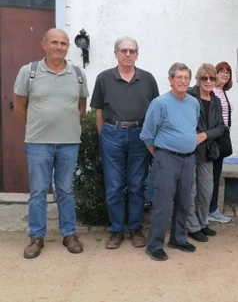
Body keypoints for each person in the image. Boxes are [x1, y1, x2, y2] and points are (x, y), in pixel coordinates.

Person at [13, 28, 89, 259]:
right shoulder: (30, 72)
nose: (59, 47)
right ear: (43, 44)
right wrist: (39, 128)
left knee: (66, 190)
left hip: (68, 143)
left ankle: (69, 234)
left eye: (63, 43)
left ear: (68, 47)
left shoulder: (77, 73)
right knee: (38, 192)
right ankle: (37, 236)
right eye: (54, 42)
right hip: (39, 144)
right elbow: (19, 108)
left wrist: (65, 125)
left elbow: (81, 107)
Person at [90, 36, 159, 249]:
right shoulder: (103, 78)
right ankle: (116, 231)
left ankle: (136, 229)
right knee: (114, 186)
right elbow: (99, 112)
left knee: (138, 185)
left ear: (137, 55)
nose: (127, 54)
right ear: (116, 54)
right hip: (112, 134)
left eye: (131, 51)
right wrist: (104, 136)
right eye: (123, 50)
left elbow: (156, 110)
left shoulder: (148, 79)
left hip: (140, 135)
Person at [140, 63, 199, 261]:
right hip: (166, 159)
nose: (183, 81)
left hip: (189, 160)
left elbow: (191, 127)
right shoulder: (160, 103)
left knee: (184, 202)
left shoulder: (193, 103)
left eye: (186, 77)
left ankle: (178, 239)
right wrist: (160, 154)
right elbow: (148, 134)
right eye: (178, 77)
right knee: (163, 204)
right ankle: (154, 244)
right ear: (170, 80)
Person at [186, 64, 225, 242]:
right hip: (188, 151)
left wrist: (204, 135)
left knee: (206, 191)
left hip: (208, 152)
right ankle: (192, 226)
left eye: (211, 78)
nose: (208, 82)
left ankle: (203, 223)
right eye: (204, 78)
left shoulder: (216, 101)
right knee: (190, 191)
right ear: (199, 79)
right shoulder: (189, 96)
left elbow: (220, 127)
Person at [208, 61, 234, 224]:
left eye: (228, 72)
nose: (225, 74)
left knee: (215, 175)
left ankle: (212, 209)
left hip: (222, 138)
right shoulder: (213, 92)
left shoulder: (222, 92)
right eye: (221, 71)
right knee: (209, 176)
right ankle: (208, 210)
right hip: (214, 139)